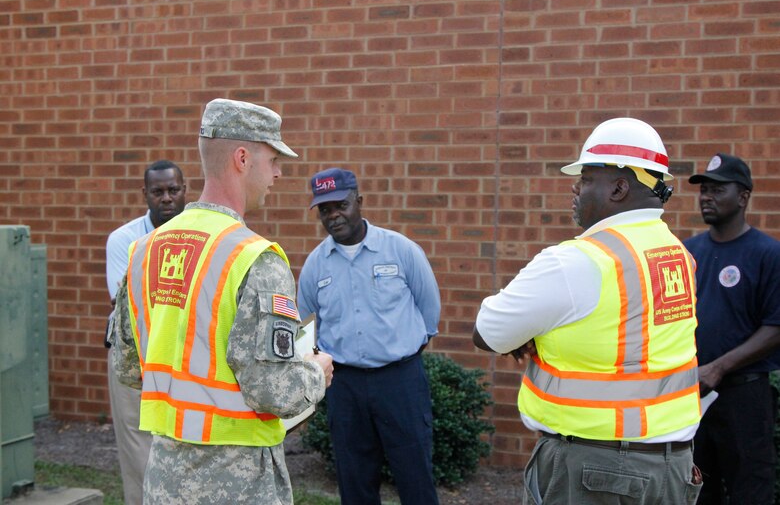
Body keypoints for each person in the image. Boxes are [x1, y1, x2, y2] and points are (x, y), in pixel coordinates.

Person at [111, 98, 333, 505]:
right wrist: (316, 372)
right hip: (238, 479)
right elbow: (276, 392)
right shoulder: (254, 257)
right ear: (243, 158)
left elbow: (127, 367)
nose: (279, 172)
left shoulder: (144, 251)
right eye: (273, 159)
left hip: (165, 477)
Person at [473, 118, 703, 504]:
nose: (575, 188)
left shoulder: (577, 261)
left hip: (596, 469)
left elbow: (487, 333)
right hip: (671, 468)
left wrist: (531, 334)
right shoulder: (677, 254)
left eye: (587, 177)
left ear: (619, 187)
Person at [297, 167, 441, 505]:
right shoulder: (316, 265)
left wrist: (404, 350)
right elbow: (303, 327)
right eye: (325, 210)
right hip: (345, 387)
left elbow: (428, 311)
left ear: (359, 201)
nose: (334, 216)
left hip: (400, 381)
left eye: (341, 205)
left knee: (415, 477)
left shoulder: (400, 250)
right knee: (354, 480)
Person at [684, 153, 780, 505]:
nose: (706, 197)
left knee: (750, 491)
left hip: (745, 397)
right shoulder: (688, 253)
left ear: (743, 196)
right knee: (694, 489)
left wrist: (719, 367)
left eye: (717, 190)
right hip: (693, 396)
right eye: (703, 190)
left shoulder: (767, 254)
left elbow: (776, 327)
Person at [104, 159, 186, 505]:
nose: (166, 198)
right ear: (146, 195)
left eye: (173, 190)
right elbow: (126, 304)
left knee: (184, 451)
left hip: (183, 358)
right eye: (158, 192)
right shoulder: (124, 239)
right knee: (139, 453)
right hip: (133, 359)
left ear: (185, 191)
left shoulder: (196, 236)